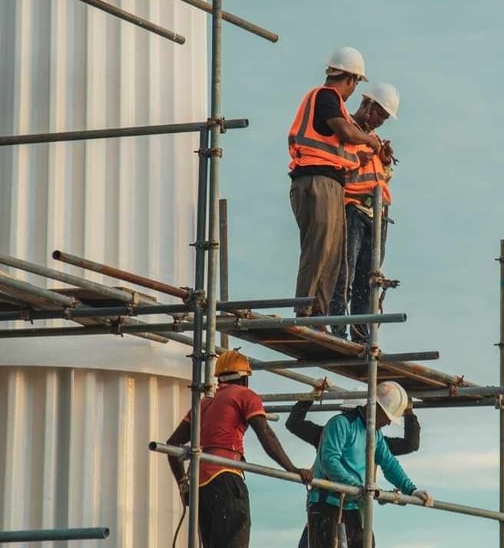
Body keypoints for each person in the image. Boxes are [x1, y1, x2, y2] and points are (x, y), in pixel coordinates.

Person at [166, 350, 313, 548]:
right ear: (245, 379)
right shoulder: (245, 396)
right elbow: (266, 434)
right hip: (225, 475)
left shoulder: (202, 404)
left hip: (200, 485)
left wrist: (183, 485)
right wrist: (292, 469)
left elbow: (172, 444)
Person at [288, 47, 382, 321]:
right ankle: (305, 311)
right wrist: (368, 140)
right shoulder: (326, 96)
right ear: (351, 79)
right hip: (315, 180)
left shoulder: (332, 105)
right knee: (318, 248)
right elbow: (344, 130)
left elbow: (339, 146)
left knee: (332, 255)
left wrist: (363, 153)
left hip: (328, 183)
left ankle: (319, 313)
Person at [306, 381, 433, 548]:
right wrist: (355, 486)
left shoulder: (375, 435)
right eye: (388, 418)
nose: (388, 423)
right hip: (328, 505)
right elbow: (329, 461)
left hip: (354, 507)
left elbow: (389, 463)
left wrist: (411, 489)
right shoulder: (341, 424)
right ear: (376, 407)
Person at [328, 83, 400, 342]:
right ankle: (338, 329)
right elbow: (338, 167)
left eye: (383, 116)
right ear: (366, 104)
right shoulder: (346, 129)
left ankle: (360, 335)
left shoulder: (374, 140)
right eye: (378, 113)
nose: (379, 120)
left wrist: (386, 162)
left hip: (377, 215)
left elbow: (381, 177)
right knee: (344, 272)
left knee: (367, 280)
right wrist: (364, 159)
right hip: (352, 209)